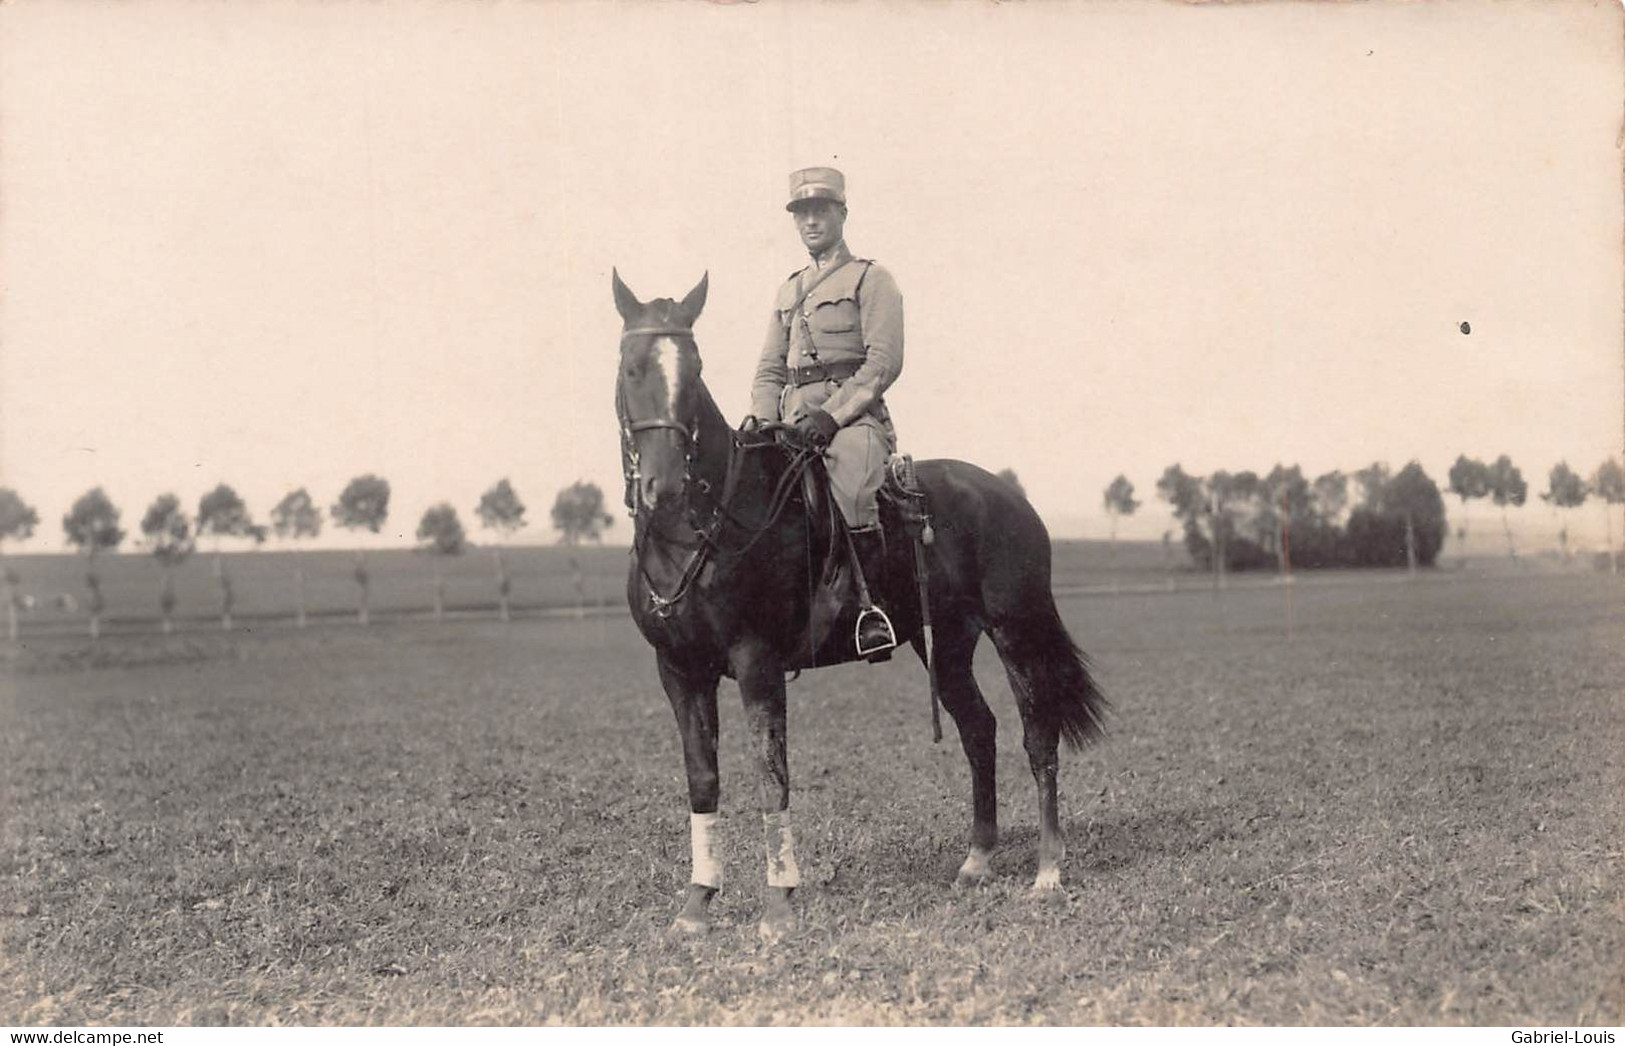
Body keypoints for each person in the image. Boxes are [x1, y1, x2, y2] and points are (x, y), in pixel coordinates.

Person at [747, 166, 904, 660]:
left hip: (851, 424)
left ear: (842, 213)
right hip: (790, 427)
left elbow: (882, 363)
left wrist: (832, 418)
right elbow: (770, 369)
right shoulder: (788, 291)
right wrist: (760, 418)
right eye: (802, 213)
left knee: (853, 488)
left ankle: (869, 610)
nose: (811, 221)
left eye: (821, 210)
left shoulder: (871, 279)